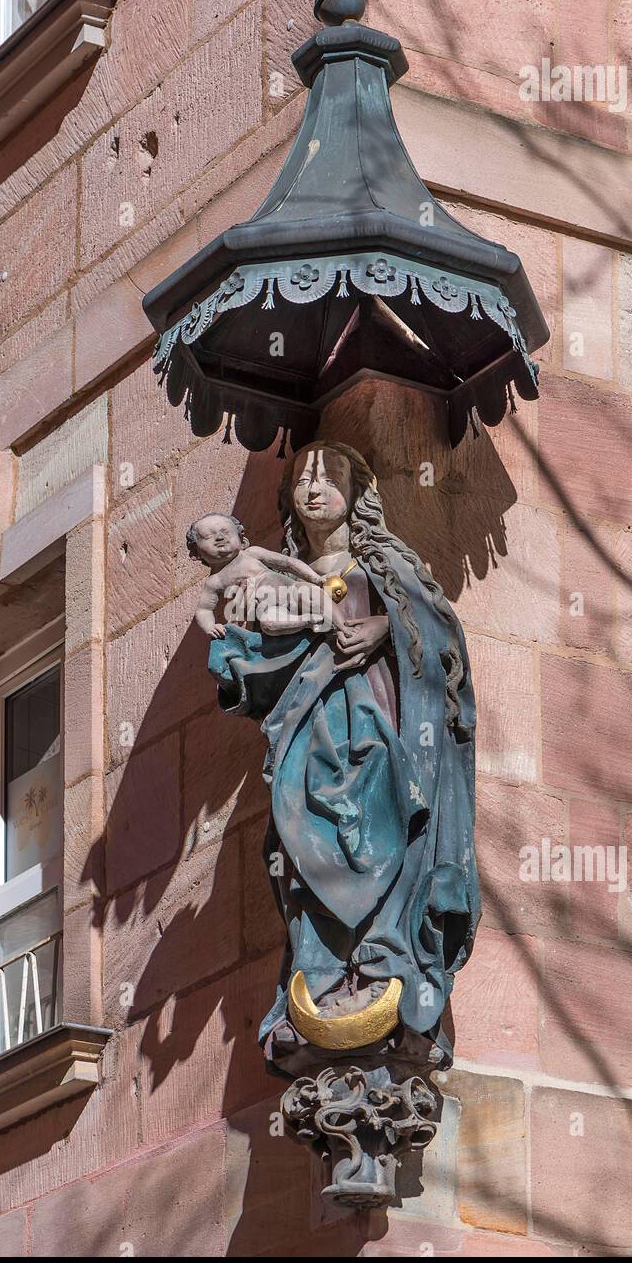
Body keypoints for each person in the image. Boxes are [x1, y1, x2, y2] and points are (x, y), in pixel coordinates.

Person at [207, 441, 480, 1067]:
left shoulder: (388, 567)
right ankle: (323, 970)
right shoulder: (276, 581)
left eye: (329, 477)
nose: (313, 488)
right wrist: (233, 659)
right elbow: (264, 661)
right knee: (307, 848)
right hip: (309, 737)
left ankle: (386, 955)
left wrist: (386, 629)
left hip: (381, 729)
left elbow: (443, 640)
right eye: (302, 479)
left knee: (383, 833)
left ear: (358, 494)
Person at [187, 511, 348, 638]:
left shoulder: (251, 553)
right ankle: (307, 621)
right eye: (208, 536)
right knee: (269, 624)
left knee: (314, 594)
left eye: (225, 532)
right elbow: (203, 610)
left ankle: (343, 627)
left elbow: (288, 563)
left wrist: (316, 578)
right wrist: (211, 627)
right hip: (267, 606)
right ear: (197, 552)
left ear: (241, 537)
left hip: (291, 589)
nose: (220, 538)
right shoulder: (214, 581)